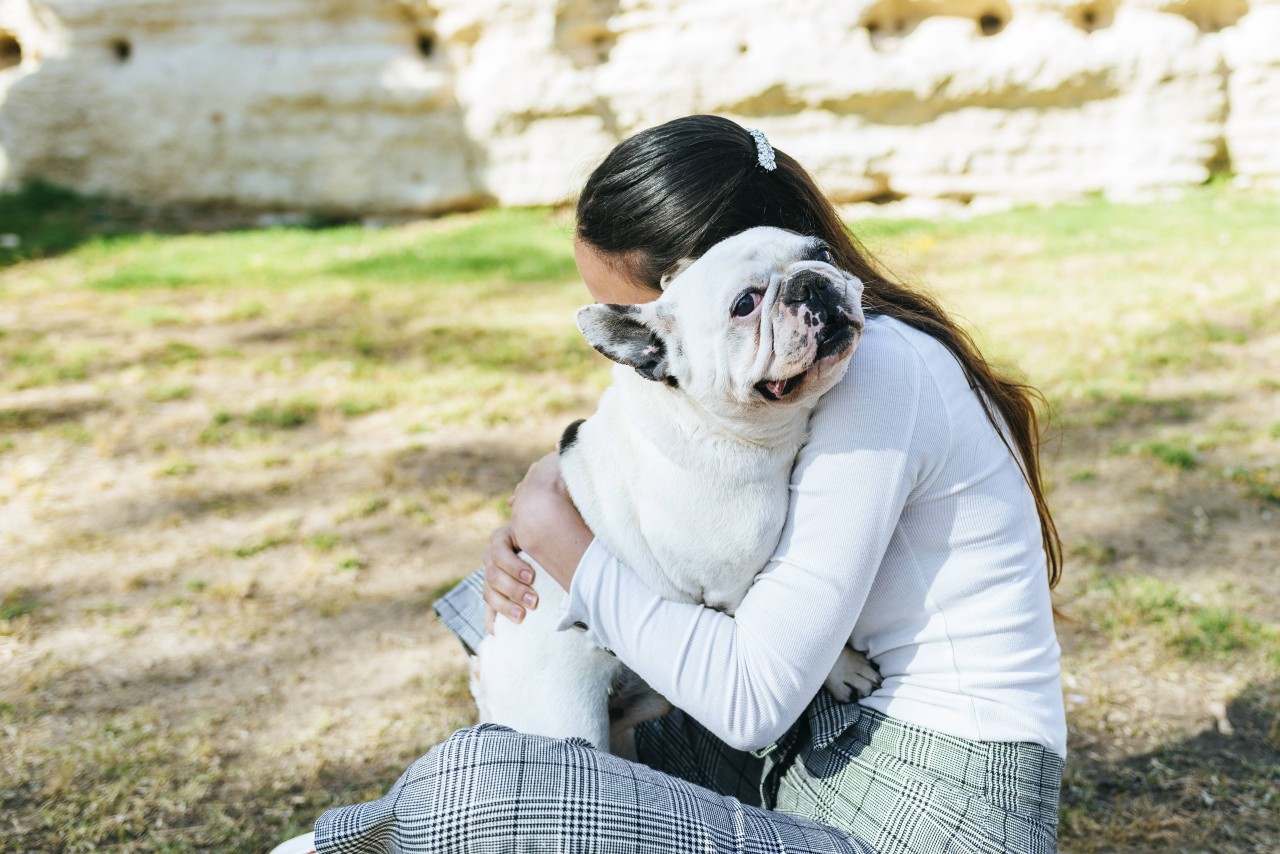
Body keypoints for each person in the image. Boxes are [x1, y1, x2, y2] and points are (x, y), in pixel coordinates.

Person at [283, 115, 1067, 854]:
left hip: (926, 812)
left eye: (632, 318)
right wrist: (549, 532)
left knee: (484, 787)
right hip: (820, 735)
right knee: (514, 658)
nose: (636, 362)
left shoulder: (876, 368)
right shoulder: (805, 365)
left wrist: (572, 553)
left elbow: (748, 704)